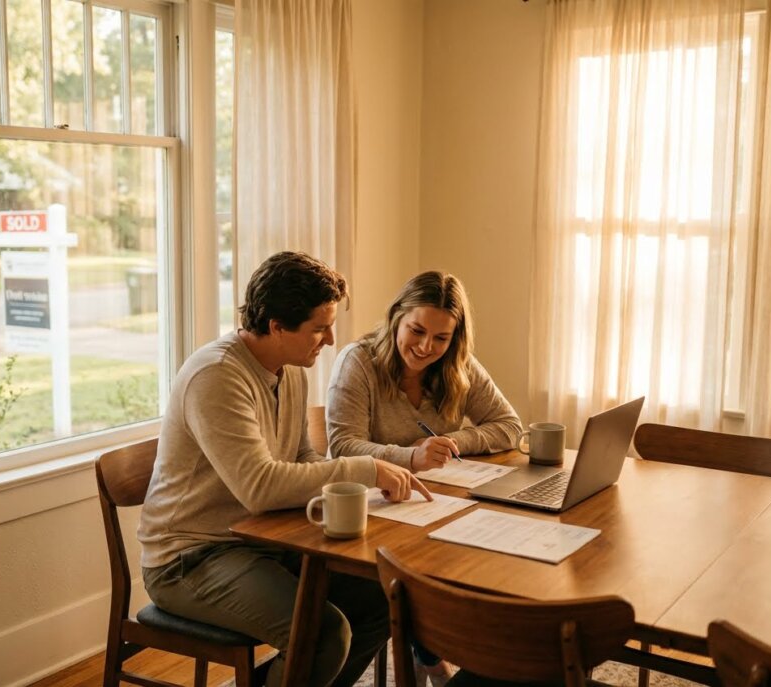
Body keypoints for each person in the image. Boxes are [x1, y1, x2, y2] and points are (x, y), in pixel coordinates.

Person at [138, 251, 431, 687]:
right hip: (189, 560)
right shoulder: (217, 377)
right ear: (276, 326)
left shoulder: (291, 369)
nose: (331, 339)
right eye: (319, 328)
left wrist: (354, 483)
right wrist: (366, 468)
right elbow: (259, 488)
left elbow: (303, 460)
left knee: (379, 599)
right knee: (323, 633)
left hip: (262, 541)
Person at [326, 270, 523, 686]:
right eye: (416, 330)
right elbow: (342, 446)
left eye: (441, 338)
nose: (425, 346)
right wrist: (410, 456)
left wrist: (455, 439)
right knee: (426, 578)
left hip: (435, 506)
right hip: (375, 511)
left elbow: (508, 425)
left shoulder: (456, 364)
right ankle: (431, 658)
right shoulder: (358, 361)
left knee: (496, 562)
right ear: (396, 316)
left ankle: (442, 655)